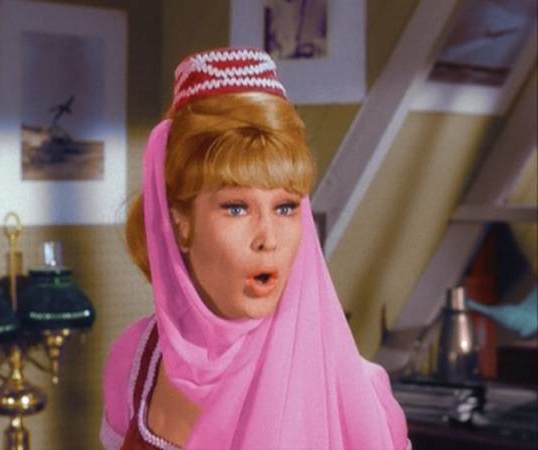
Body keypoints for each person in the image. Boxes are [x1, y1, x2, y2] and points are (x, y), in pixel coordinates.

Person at [101, 47, 409, 449]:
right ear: (180, 224)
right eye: (236, 208)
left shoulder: (357, 395)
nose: (268, 238)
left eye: (285, 207)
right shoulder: (136, 360)